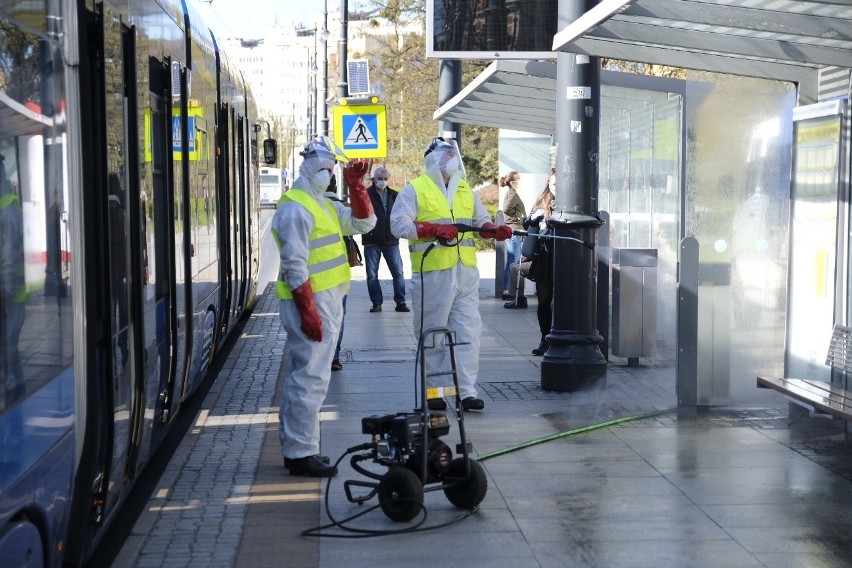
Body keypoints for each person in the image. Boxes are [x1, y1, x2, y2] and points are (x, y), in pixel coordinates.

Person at [271, 137, 375, 477]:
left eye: (331, 169)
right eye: (321, 168)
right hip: (312, 302)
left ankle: (299, 447)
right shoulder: (295, 207)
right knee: (310, 378)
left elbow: (363, 224)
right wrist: (308, 310)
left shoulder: (324, 203)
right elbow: (295, 265)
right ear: (305, 168)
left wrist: (358, 189)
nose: (327, 174)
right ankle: (301, 454)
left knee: (310, 376)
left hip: (326, 301)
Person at [390, 137, 513, 412]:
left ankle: (466, 392)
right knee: (432, 333)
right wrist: (431, 229)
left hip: (465, 273)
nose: (452, 160)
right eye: (446, 155)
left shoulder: (464, 191)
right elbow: (398, 225)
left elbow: (480, 221)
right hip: (433, 272)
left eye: (452, 154)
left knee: (468, 332)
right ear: (433, 160)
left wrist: (493, 230)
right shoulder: (415, 189)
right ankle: (434, 392)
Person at [362, 166, 409, 313]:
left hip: (391, 239)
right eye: (380, 179)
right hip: (371, 239)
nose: (382, 181)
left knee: (398, 273)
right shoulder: (365, 195)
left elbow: (402, 214)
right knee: (372, 275)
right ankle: (377, 303)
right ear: (374, 179)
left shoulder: (395, 195)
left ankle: (400, 302)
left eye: (385, 179)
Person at [0, 155, 26, 407]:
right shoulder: (8, 207)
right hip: (12, 295)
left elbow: (8, 260)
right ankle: (18, 390)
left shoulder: (7, 212)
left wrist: (5, 293)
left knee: (5, 351)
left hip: (11, 296)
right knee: (9, 348)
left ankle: (8, 397)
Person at [521, 171, 556, 356]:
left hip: (567, 255)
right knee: (543, 300)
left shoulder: (572, 202)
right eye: (553, 184)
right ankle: (545, 338)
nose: (555, 188)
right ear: (548, 184)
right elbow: (528, 225)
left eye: (559, 185)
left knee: (565, 301)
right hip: (546, 254)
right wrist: (534, 219)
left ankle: (558, 337)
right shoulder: (542, 201)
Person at [323, 173, 348, 372]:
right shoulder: (339, 207)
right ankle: (334, 357)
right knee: (337, 317)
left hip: (312, 277)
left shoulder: (305, 207)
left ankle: (319, 357)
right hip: (338, 274)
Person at [499, 171, 526, 300]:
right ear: (513, 182)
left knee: (510, 262)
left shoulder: (510, 193)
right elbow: (506, 208)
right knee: (514, 263)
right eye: (518, 180)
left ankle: (506, 289)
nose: (520, 183)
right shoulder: (513, 194)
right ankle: (510, 291)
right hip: (515, 229)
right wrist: (516, 217)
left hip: (511, 229)